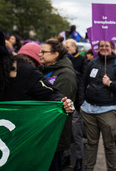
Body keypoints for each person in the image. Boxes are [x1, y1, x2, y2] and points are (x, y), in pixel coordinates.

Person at [79, 40, 116, 171]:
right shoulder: (92, 62)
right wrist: (81, 103)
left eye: (107, 46)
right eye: (101, 46)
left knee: (109, 144)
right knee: (91, 144)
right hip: (89, 110)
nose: (103, 48)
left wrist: (110, 84)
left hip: (109, 110)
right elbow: (83, 83)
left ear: (112, 48)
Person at [0, 31, 73, 113]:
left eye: (43, 52)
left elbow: (52, 95)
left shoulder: (28, 72)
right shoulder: (42, 70)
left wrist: (63, 103)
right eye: (40, 51)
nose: (40, 55)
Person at [40, 35, 77, 171]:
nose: (40, 54)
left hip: (55, 135)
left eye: (44, 52)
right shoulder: (47, 70)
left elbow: (58, 105)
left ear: (55, 54)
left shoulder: (65, 75)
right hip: (45, 133)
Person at [65, 38, 87, 171]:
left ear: (74, 47)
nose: (67, 49)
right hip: (65, 102)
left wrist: (80, 103)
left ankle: (79, 159)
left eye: (68, 47)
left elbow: (83, 83)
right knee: (65, 133)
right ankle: (66, 156)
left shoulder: (81, 60)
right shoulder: (64, 60)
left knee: (76, 133)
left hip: (76, 103)